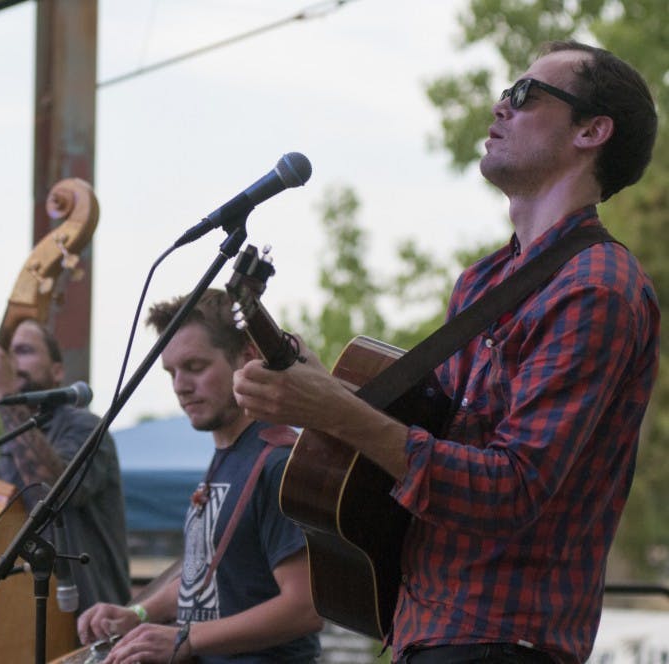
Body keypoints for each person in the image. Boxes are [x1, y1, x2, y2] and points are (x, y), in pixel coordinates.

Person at [233, 40, 660, 664]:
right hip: (424, 625)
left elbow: (511, 488)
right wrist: (329, 393)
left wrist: (334, 411)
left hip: (504, 637)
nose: (500, 105)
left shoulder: (596, 289)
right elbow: (441, 434)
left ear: (592, 131)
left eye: (525, 94)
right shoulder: (484, 282)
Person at [77, 289, 323, 663]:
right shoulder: (227, 457)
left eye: (195, 367)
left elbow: (306, 607)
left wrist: (186, 639)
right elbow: (212, 578)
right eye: (172, 372)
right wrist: (138, 615)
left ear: (247, 358)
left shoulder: (277, 464)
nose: (180, 385)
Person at [0, 318, 131, 612]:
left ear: (57, 371)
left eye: (23, 351)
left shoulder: (85, 426)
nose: (10, 363)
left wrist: (7, 398)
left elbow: (53, 493)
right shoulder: (4, 456)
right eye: (7, 355)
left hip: (93, 622)